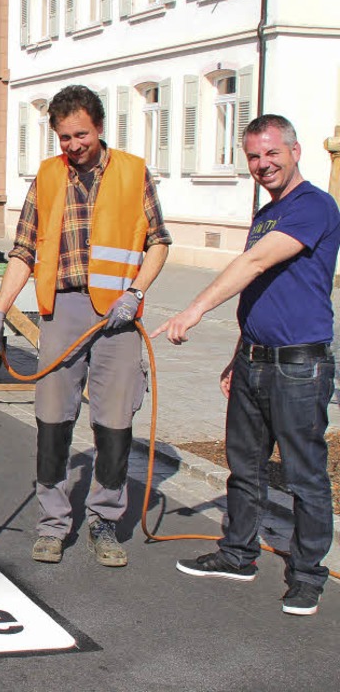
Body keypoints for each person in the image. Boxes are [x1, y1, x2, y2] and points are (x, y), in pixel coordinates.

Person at [152, 114, 339, 616]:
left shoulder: (313, 207)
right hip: (255, 362)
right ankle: (238, 554)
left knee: (304, 477)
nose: (262, 165)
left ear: (296, 152)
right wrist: (239, 354)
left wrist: (192, 309)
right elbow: (258, 293)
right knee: (245, 469)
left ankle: (307, 576)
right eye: (254, 156)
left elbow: (254, 265)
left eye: (271, 154)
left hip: (300, 367)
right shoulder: (266, 213)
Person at [0, 85, 172, 567]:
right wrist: (0, 310)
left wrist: (136, 293)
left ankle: (104, 520)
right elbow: (24, 250)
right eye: (64, 137)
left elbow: (158, 242)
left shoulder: (133, 173)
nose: (72, 146)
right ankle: (52, 523)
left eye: (80, 135)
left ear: (100, 127)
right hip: (62, 312)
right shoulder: (48, 177)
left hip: (119, 317)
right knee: (52, 417)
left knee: (114, 422)